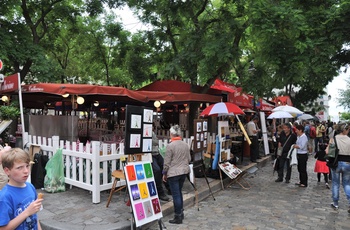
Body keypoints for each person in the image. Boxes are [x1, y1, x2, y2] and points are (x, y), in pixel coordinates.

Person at [0, 148, 43, 229]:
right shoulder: (4, 197)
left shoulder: (30, 187)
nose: (26, 171)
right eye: (19, 168)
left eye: (27, 166)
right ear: (7, 171)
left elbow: (35, 216)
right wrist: (27, 212)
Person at [162, 125, 191, 224]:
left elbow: (166, 162)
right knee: (179, 192)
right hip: (183, 172)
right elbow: (189, 159)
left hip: (173, 173)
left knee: (176, 195)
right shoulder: (186, 145)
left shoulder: (170, 146)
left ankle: (178, 216)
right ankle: (181, 213)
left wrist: (164, 173)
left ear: (171, 134)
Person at [326, 123, 350, 212]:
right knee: (347, 184)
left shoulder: (334, 139)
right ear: (346, 130)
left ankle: (335, 203)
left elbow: (327, 151)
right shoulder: (349, 140)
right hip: (348, 163)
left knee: (335, 183)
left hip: (336, 163)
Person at [151, 126, 170, 202]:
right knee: (157, 170)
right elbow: (155, 142)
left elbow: (155, 142)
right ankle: (160, 192)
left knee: (165, 167)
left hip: (156, 153)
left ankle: (169, 187)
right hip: (149, 154)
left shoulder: (152, 133)